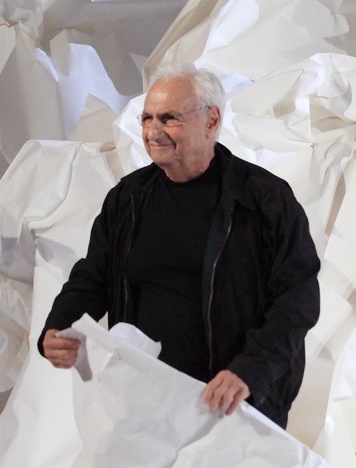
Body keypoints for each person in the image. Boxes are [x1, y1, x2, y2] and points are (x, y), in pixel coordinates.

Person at [38, 62, 320, 429]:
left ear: (211, 120)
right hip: (146, 403)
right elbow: (94, 276)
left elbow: (296, 300)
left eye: (169, 118)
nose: (153, 132)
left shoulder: (264, 200)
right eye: (147, 118)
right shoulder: (129, 198)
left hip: (232, 406)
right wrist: (59, 326)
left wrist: (249, 371)